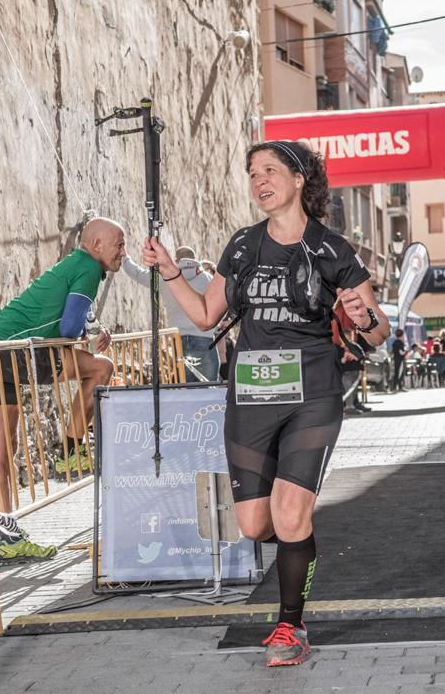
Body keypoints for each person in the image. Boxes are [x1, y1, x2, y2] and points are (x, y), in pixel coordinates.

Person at [142, 140, 390, 667]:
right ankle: (296, 536)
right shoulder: (242, 245)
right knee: (255, 525)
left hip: (313, 393)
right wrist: (169, 271)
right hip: (251, 396)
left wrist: (362, 317)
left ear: (299, 180)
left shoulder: (331, 249)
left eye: (271, 171)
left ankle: (290, 626)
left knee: (288, 511)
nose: (260, 181)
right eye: (253, 173)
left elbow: (378, 331)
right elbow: (207, 316)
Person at [0, 218, 121, 565]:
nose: (123, 252)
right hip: (17, 350)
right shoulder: (87, 266)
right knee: (101, 368)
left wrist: (93, 330)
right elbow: (68, 328)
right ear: (96, 245)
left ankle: (9, 539)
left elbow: (69, 321)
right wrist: (88, 336)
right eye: (119, 243)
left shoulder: (76, 263)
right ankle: (70, 450)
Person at [123, 244, 219, 383]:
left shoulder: (166, 279)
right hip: (205, 339)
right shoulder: (208, 279)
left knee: (185, 388)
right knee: (210, 389)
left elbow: (138, 274)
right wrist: (214, 328)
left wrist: (125, 258)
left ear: (176, 260)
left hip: (177, 340)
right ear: (194, 259)